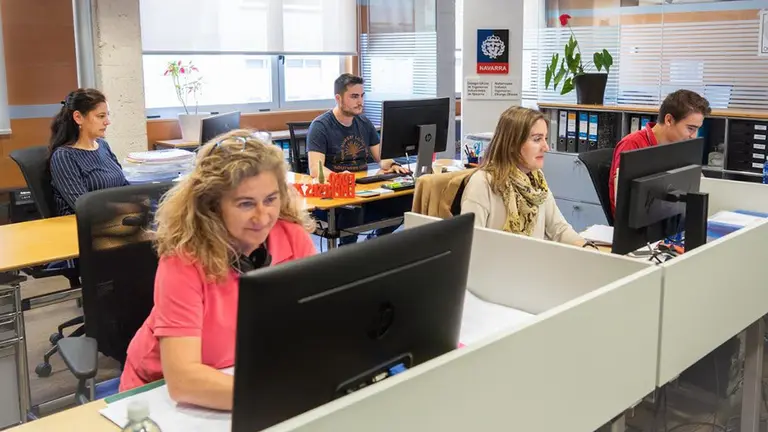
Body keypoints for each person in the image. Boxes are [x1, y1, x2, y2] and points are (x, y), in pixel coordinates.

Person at [120, 130, 317, 411]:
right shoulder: (184, 260)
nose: (262, 217)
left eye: (271, 199)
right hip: (159, 396)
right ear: (212, 205)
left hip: (243, 375)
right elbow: (184, 381)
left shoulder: (291, 237)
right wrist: (277, 394)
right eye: (245, 203)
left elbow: (315, 323)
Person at [461, 106, 592, 248]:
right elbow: (470, 245)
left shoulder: (536, 181)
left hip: (531, 264)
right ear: (512, 144)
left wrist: (588, 248)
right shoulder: (483, 183)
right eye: (537, 139)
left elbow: (559, 229)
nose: (546, 147)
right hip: (498, 267)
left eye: (545, 138)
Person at [306, 73, 411, 246]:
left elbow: (381, 158)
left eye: (362, 96)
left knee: (405, 201)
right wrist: (338, 177)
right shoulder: (321, 126)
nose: (360, 101)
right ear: (338, 98)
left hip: (362, 188)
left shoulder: (364, 123)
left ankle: (375, 241)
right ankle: (347, 253)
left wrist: (392, 164)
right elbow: (316, 169)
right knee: (354, 212)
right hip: (337, 196)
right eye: (354, 96)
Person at [609, 89, 711, 216]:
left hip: (672, 219)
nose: (693, 136)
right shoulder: (632, 145)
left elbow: (700, 184)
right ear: (669, 120)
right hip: (640, 228)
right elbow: (622, 203)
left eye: (697, 129)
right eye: (690, 128)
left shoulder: (680, 146)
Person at [48, 88, 129, 216]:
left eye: (107, 115)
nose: (107, 122)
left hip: (115, 220)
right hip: (82, 228)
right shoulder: (64, 156)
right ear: (78, 117)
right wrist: (125, 208)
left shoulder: (103, 146)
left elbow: (124, 185)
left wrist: (140, 202)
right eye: (101, 116)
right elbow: (83, 206)